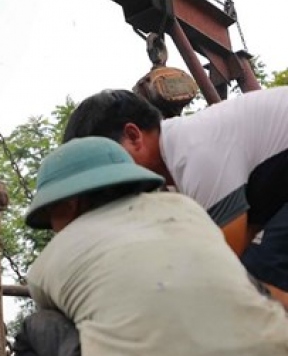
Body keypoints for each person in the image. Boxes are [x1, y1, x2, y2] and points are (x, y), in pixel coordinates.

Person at [15, 137, 288, 356]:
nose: (53, 228)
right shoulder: (188, 212)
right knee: (245, 291)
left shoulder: (45, 266)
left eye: (51, 215)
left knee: (36, 331)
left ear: (71, 202)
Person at [61, 87, 288, 307]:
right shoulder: (172, 176)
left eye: (105, 163)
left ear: (133, 136)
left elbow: (225, 259)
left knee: (256, 273)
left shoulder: (193, 151)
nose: (107, 185)